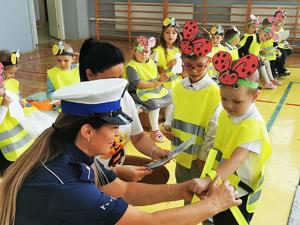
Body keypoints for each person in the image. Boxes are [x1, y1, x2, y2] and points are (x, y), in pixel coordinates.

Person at [0, 78, 241, 225]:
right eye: (114, 128)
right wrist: (215, 204)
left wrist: (183, 189)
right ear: (87, 131)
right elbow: (149, 223)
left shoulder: (70, 149)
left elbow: (124, 190)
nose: (117, 135)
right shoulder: (64, 182)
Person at [79, 38, 170, 184]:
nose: (119, 84)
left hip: (114, 170)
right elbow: (79, 167)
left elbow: (138, 136)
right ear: (90, 75)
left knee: (160, 174)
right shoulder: (80, 109)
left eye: (121, 77)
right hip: (93, 181)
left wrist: (155, 151)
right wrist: (117, 172)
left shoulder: (123, 96)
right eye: (111, 79)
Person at [199, 51, 272, 225]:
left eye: (237, 102)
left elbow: (237, 160)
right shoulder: (226, 115)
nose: (229, 105)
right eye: (224, 98)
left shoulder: (253, 126)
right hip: (223, 184)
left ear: (254, 96)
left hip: (240, 193)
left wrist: (209, 180)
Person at [163, 20, 221, 204]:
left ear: (209, 62)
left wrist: (203, 158)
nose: (194, 71)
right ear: (182, 61)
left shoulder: (213, 92)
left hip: (199, 160)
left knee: (202, 200)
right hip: (180, 155)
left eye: (200, 66)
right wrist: (168, 125)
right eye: (189, 66)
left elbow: (213, 128)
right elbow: (175, 108)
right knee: (185, 194)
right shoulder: (180, 87)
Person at [124, 36, 173, 143]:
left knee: (171, 96)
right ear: (134, 51)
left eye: (146, 52)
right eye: (140, 51)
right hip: (137, 92)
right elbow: (139, 84)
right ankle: (155, 130)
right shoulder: (131, 67)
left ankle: (167, 123)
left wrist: (161, 78)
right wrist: (155, 84)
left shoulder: (151, 62)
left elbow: (154, 76)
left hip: (152, 88)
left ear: (150, 51)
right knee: (154, 103)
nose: (144, 54)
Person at [0, 50, 56, 139]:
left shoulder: (13, 82)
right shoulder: (2, 85)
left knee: (47, 121)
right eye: (10, 73)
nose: (13, 75)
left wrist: (22, 101)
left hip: (21, 111)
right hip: (12, 118)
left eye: (14, 72)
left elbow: (18, 97)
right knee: (36, 130)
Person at [239, 23, 281, 89]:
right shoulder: (252, 37)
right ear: (261, 31)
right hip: (245, 59)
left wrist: (259, 57)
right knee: (261, 64)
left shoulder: (260, 41)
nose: (265, 38)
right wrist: (250, 58)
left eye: (267, 38)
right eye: (265, 35)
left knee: (266, 62)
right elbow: (242, 50)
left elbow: (255, 52)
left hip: (253, 58)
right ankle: (267, 83)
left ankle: (271, 79)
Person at [152, 17, 182, 90]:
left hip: (178, 83)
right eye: (167, 32)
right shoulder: (157, 51)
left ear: (177, 35)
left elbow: (179, 71)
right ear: (163, 34)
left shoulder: (178, 50)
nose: (170, 35)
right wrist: (168, 65)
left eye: (173, 33)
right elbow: (158, 71)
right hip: (165, 86)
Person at [274, 7, 292, 76]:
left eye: (284, 19)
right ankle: (280, 70)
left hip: (278, 44)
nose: (283, 20)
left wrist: (285, 42)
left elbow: (281, 38)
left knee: (289, 50)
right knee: (283, 53)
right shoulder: (272, 26)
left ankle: (277, 66)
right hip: (271, 46)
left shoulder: (280, 26)